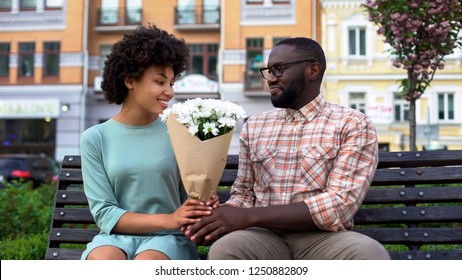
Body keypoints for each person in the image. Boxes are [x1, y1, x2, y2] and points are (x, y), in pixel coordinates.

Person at [184, 37, 390, 260]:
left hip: (324, 239)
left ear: (312, 70)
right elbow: (243, 194)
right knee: (227, 248)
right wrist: (218, 215)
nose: (271, 79)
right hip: (262, 238)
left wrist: (247, 217)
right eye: (269, 71)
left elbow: (339, 204)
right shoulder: (255, 125)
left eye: (279, 69)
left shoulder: (352, 123)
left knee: (369, 253)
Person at [80, 24, 217, 260]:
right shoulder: (95, 138)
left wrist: (204, 198)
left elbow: (192, 196)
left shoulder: (181, 131)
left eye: (172, 83)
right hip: (116, 236)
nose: (170, 91)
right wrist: (170, 218)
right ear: (130, 80)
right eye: (160, 81)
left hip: (169, 238)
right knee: (103, 260)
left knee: (147, 263)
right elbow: (104, 213)